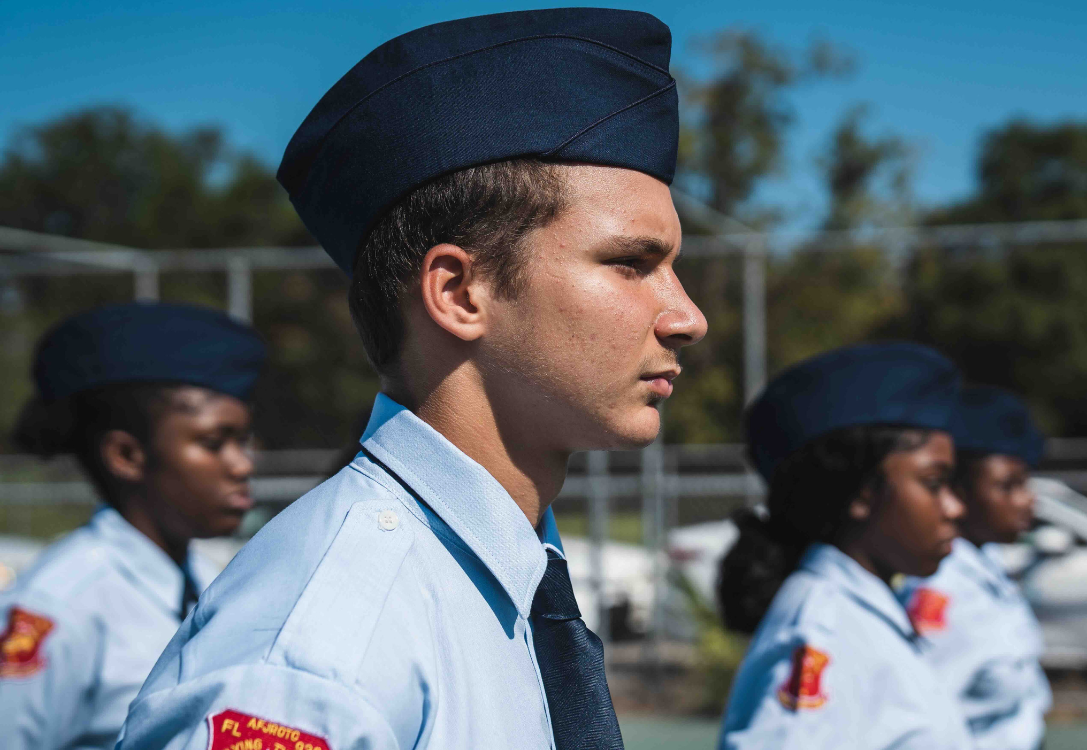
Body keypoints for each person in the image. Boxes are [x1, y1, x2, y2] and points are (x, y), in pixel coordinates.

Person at [117, 8, 704, 750]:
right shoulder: (321, 651)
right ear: (460, 293)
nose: (687, 316)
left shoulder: (505, 582)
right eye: (630, 264)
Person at [0, 302, 264, 750]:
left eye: (242, 441)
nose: (242, 465)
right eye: (214, 442)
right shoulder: (61, 606)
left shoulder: (212, 580)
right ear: (126, 455)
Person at [717, 342, 975, 750]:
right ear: (862, 495)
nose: (955, 507)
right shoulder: (822, 627)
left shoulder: (861, 611)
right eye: (933, 483)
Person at [900, 385, 1051, 750]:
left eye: (1025, 483)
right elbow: (922, 716)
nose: (1027, 499)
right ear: (960, 493)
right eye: (1007, 486)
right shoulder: (942, 587)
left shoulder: (988, 566)